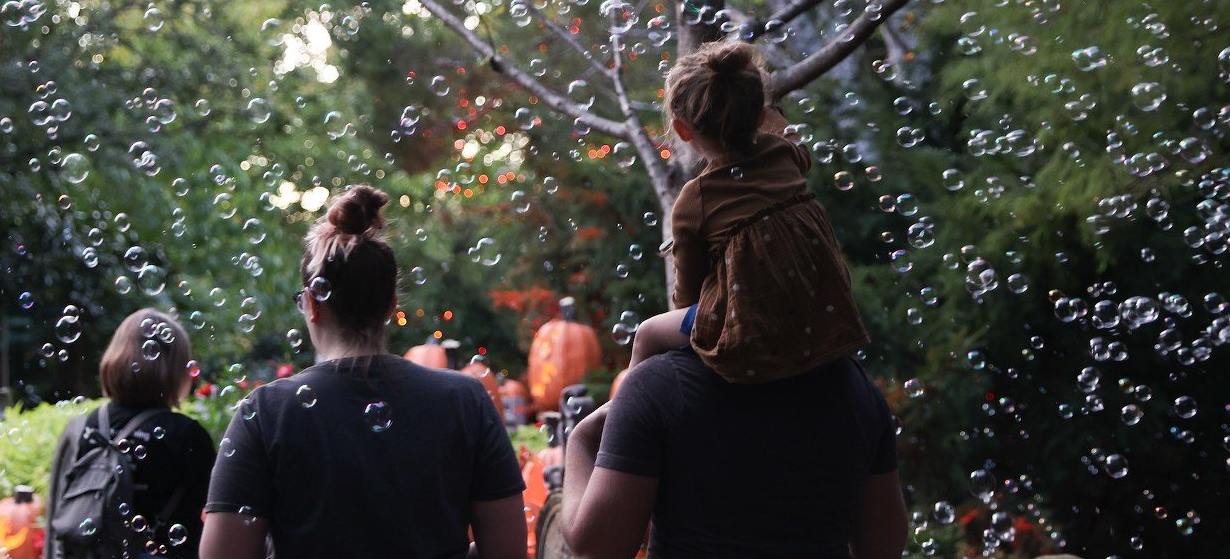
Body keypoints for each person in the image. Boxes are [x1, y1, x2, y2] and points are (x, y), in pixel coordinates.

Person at [201, 185, 526, 559]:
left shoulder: (265, 411)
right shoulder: (466, 399)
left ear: (311, 304)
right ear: (391, 305)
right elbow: (508, 552)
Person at [628, 41, 869, 383]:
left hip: (752, 331)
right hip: (817, 318)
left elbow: (687, 296)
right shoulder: (786, 155)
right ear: (760, 114)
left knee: (648, 333)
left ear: (682, 131)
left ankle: (620, 409)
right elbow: (791, 139)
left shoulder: (695, 198)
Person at [560, 352, 908, 557]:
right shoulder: (856, 389)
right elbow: (883, 547)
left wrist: (580, 439)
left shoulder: (660, 386)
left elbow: (595, 549)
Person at [46, 309, 216, 559]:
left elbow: (56, 518)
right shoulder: (186, 435)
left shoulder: (81, 428)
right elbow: (219, 515)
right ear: (176, 368)